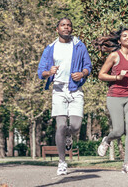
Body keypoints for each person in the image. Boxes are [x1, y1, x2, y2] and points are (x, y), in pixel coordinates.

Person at [38, 17, 92, 176]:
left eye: (69, 25)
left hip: (76, 89)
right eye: (63, 25)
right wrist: (50, 72)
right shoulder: (50, 48)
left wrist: (82, 73)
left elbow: (88, 66)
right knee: (60, 126)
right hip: (59, 90)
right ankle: (62, 162)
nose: (66, 28)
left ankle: (69, 135)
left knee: (75, 127)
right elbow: (41, 71)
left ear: (72, 29)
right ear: (57, 29)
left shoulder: (79, 46)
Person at [93, 26, 128, 174]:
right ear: (120, 40)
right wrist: (116, 77)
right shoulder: (114, 56)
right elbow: (101, 75)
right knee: (118, 130)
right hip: (115, 96)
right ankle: (107, 140)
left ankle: (126, 164)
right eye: (125, 36)